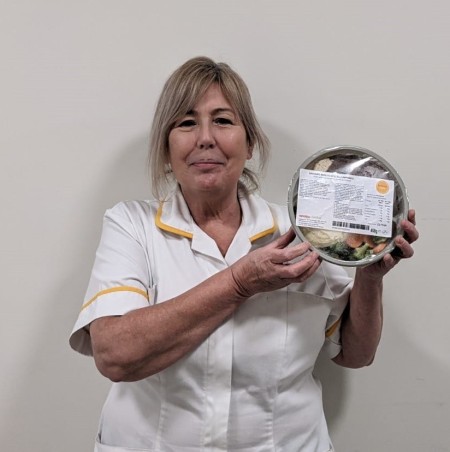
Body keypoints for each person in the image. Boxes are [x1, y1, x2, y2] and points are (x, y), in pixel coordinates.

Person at [69, 56, 418, 452]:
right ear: (166, 148)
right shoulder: (131, 225)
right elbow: (115, 356)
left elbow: (355, 355)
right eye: (186, 122)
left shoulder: (306, 232)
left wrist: (369, 275)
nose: (205, 138)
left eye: (223, 120)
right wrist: (238, 284)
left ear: (249, 142)